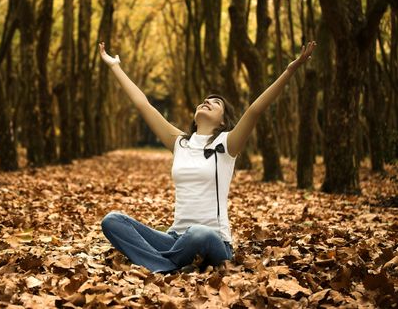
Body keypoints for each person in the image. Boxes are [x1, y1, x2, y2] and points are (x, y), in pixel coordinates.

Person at [98, 40, 316, 273]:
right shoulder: (180, 142)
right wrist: (114, 67)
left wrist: (290, 70)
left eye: (215, 102)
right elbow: (144, 105)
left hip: (213, 240)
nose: (207, 102)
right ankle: (166, 266)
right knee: (112, 220)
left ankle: (157, 262)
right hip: (175, 239)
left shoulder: (227, 144)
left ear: (223, 121)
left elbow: (255, 109)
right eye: (205, 100)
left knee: (198, 232)